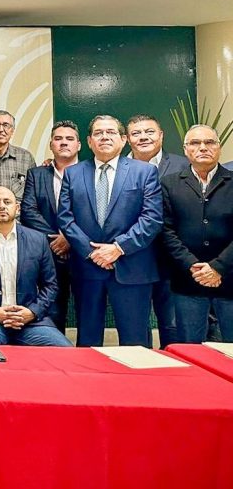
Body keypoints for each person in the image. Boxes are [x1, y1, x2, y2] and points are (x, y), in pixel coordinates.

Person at [58, 115, 162, 347]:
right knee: (87, 342)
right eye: (98, 133)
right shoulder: (73, 173)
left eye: (111, 132)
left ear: (123, 139)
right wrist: (92, 252)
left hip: (132, 267)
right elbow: (65, 218)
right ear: (89, 141)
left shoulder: (144, 172)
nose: (104, 137)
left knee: (135, 344)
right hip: (87, 268)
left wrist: (118, 248)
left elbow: (152, 219)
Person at [0, 187, 70, 346]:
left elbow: (50, 285)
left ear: (17, 208)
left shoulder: (38, 240)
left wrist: (32, 312)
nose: (2, 206)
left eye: (7, 202)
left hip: (30, 321)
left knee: (64, 350)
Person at [161, 125, 233, 343]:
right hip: (188, 280)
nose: (203, 147)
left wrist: (217, 267)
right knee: (191, 347)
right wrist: (192, 265)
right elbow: (166, 231)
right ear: (185, 149)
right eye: (195, 143)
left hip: (230, 278)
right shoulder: (169, 184)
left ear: (219, 147)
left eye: (209, 142)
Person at [127, 114, 189, 348]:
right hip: (132, 259)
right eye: (136, 133)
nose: (143, 137)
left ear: (161, 136)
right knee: (135, 329)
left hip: (172, 260)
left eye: (149, 132)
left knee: (172, 326)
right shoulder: (117, 167)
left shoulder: (183, 165)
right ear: (127, 139)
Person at [21, 120, 81, 332]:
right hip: (49, 252)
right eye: (58, 138)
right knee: (54, 310)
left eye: (69, 139)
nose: (63, 142)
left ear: (79, 145)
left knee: (88, 311)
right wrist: (57, 239)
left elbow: (94, 214)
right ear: (51, 144)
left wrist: (70, 237)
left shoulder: (91, 172)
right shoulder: (37, 174)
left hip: (83, 253)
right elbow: (29, 211)